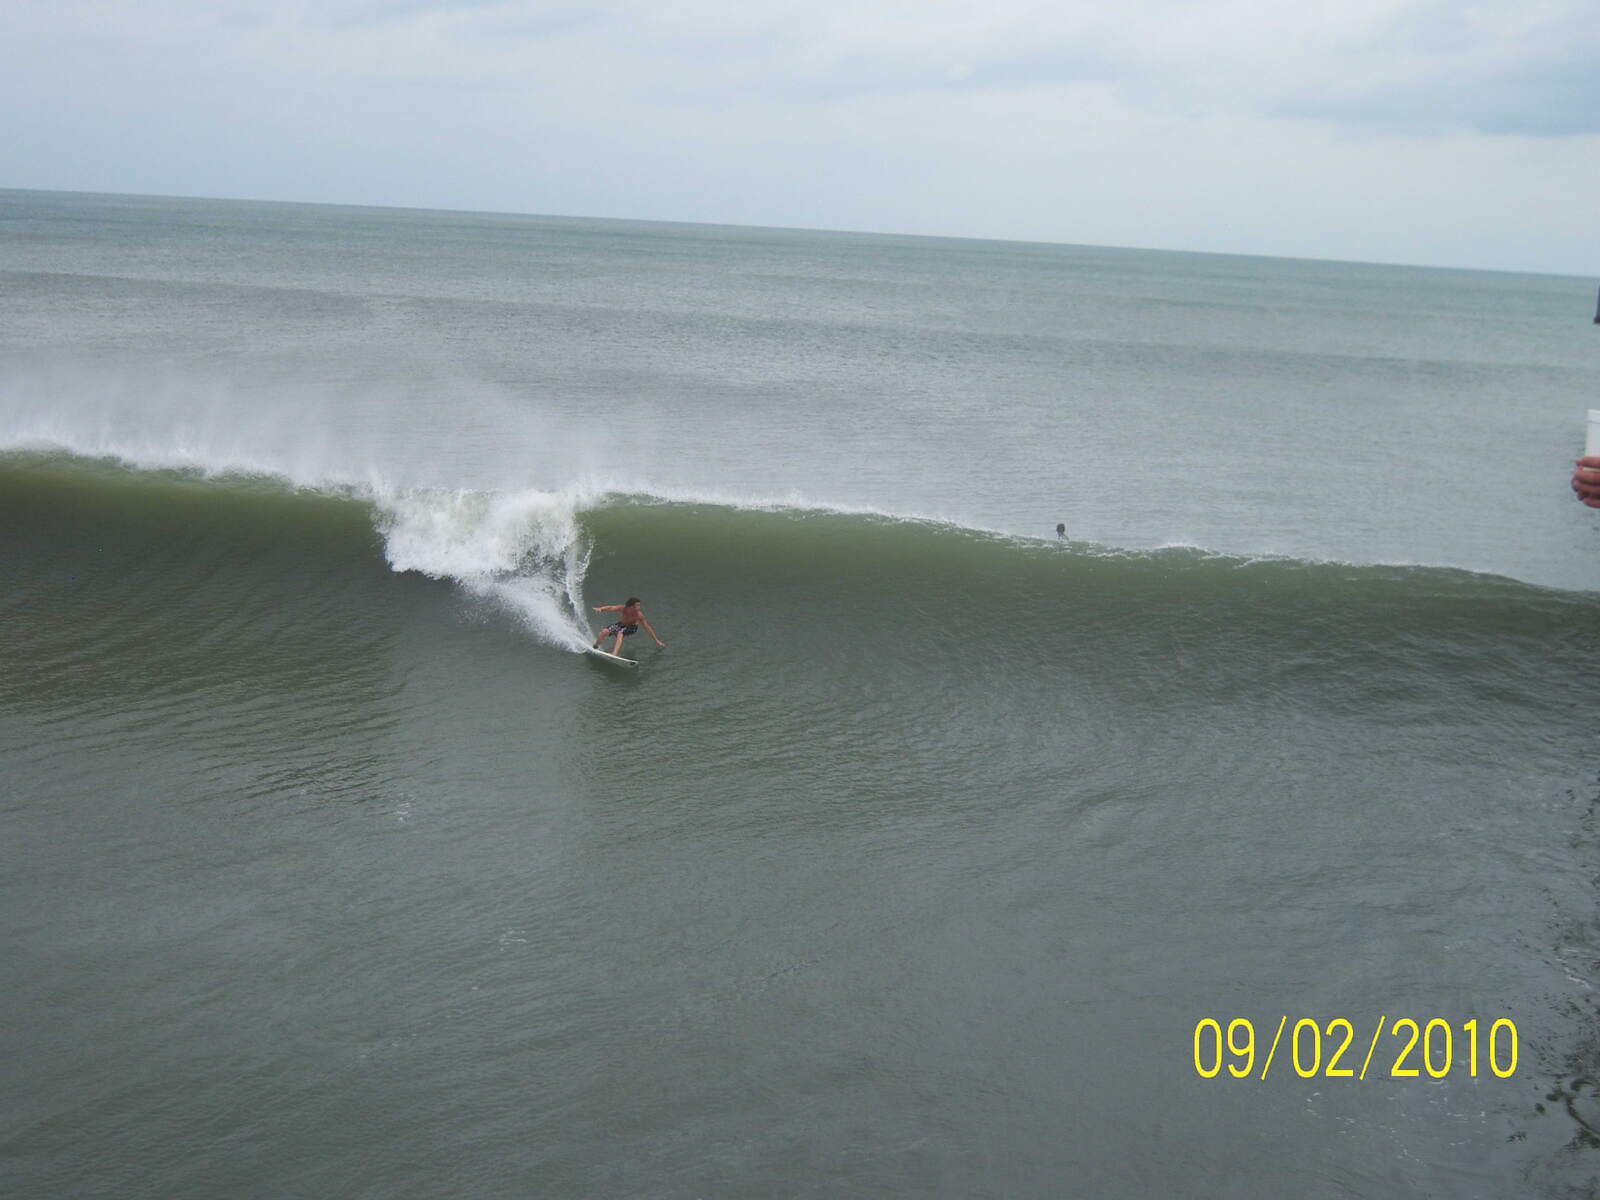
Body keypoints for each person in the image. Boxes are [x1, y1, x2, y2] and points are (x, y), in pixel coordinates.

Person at [592, 597, 665, 655]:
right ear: (631, 606)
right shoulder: (623, 608)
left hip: (632, 628)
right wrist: (601, 609)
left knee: (620, 633)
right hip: (621, 624)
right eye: (637, 605)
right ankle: (595, 646)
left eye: (639, 605)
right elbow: (611, 607)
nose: (639, 607)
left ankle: (614, 653)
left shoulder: (639, 615)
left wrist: (656, 640)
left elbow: (647, 627)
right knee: (604, 632)